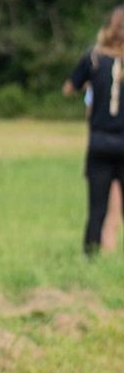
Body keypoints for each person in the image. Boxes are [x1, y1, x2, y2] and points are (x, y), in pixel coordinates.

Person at [63, 4, 124, 254]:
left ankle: (90, 257)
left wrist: (90, 86)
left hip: (99, 142)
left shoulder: (93, 58)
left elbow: (68, 88)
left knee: (97, 209)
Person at [83, 86, 122, 251]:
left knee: (100, 208)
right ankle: (108, 247)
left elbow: (89, 112)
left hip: (101, 145)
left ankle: (99, 250)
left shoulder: (97, 72)